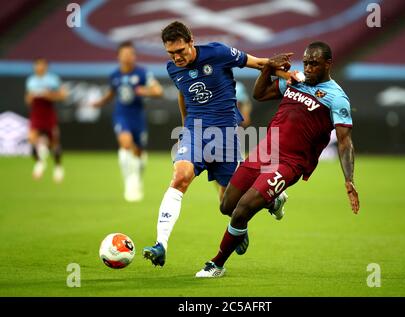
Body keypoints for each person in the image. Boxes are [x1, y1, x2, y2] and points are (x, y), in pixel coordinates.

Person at [195, 41, 360, 278]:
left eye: (314, 63)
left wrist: (349, 180)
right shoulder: (295, 80)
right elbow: (259, 94)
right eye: (306, 62)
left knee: (242, 210)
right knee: (227, 206)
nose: (309, 67)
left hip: (289, 163)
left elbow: (345, 142)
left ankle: (217, 264)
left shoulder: (336, 98)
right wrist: (268, 68)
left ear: (327, 64)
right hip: (265, 151)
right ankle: (272, 203)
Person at [143, 21, 290, 267]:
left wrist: (290, 75)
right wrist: (183, 128)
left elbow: (258, 63)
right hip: (195, 132)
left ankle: (269, 202)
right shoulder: (173, 69)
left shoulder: (218, 53)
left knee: (228, 205)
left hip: (225, 136)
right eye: (171, 53)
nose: (177, 57)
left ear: (191, 41)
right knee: (180, 176)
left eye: (181, 51)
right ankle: (161, 245)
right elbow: (183, 93)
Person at [93, 41, 163, 202]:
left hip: (138, 116)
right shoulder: (114, 75)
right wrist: (99, 103)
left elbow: (158, 91)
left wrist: (144, 90)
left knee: (138, 152)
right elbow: (111, 94)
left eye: (131, 54)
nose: (128, 57)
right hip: (121, 115)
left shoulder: (142, 73)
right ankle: (129, 183)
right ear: (118, 56)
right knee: (125, 143)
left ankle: (137, 179)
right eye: (125, 54)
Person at [25, 58, 67, 182]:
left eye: (42, 65)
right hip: (36, 113)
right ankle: (39, 163)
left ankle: (58, 167)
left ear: (46, 67)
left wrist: (50, 95)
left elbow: (63, 95)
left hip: (48, 112)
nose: (40, 67)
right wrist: (30, 98)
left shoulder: (53, 80)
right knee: (32, 139)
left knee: (54, 141)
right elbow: (27, 98)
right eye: (37, 65)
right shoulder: (31, 81)